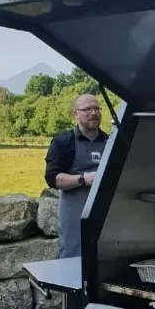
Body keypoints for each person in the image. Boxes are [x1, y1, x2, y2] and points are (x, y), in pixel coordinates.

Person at [44, 94, 108, 259]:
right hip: (74, 217)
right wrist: (84, 179)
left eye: (96, 108)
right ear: (75, 114)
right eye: (87, 109)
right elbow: (53, 179)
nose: (93, 113)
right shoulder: (63, 142)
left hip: (106, 214)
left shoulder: (110, 142)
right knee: (73, 259)